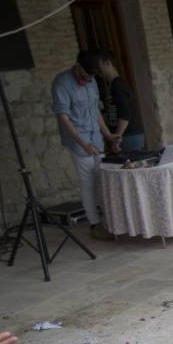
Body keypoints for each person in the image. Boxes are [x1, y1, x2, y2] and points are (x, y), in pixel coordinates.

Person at [52, 50, 114, 240]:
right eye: (88, 75)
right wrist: (83, 143)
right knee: (87, 182)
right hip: (79, 140)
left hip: (96, 137)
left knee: (102, 179)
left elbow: (95, 110)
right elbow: (63, 117)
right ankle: (95, 224)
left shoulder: (92, 81)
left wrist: (108, 135)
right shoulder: (62, 83)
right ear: (78, 66)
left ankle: (110, 220)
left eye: (92, 76)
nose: (90, 79)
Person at [95, 52, 145, 152]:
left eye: (98, 65)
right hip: (126, 136)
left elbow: (125, 116)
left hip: (128, 136)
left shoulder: (117, 85)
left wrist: (117, 139)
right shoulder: (112, 85)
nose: (97, 69)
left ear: (107, 63)